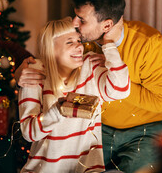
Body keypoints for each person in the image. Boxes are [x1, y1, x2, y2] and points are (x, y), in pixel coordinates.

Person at [15, 0, 162, 173]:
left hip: (144, 129)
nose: (74, 23)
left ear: (106, 25)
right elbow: (53, 57)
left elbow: (159, 102)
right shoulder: (85, 45)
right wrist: (21, 71)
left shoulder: (149, 43)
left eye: (81, 20)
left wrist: (105, 69)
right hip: (102, 128)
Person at [18, 17, 130, 173]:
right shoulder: (35, 74)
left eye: (79, 40)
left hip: (88, 170)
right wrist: (59, 110)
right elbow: (29, 133)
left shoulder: (90, 67)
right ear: (50, 48)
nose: (79, 47)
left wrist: (109, 46)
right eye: (69, 42)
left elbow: (121, 90)